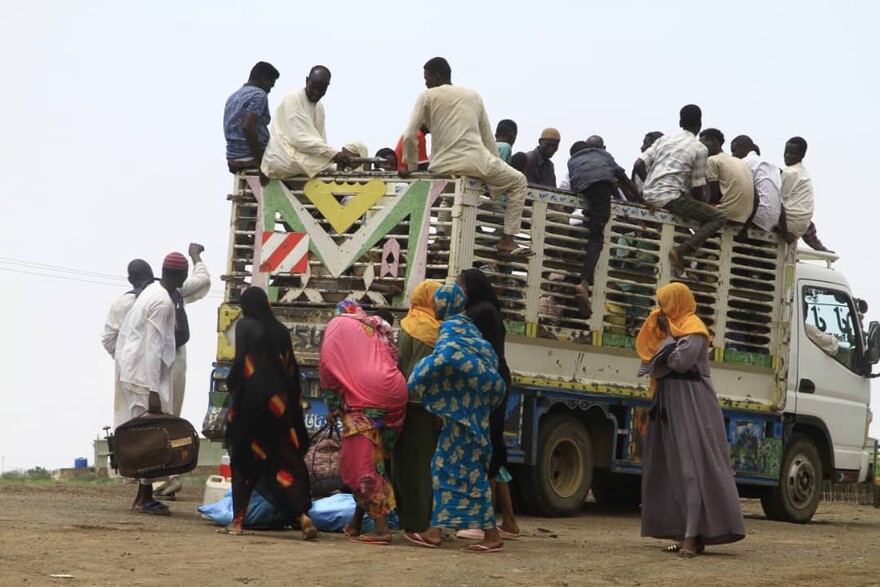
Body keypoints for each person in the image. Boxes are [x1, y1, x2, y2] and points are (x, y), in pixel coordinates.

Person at [636, 282, 746, 557]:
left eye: (664, 303)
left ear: (677, 302)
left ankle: (692, 536)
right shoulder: (672, 327)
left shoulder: (694, 328)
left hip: (692, 403)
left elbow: (679, 363)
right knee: (670, 467)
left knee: (691, 466)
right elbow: (650, 356)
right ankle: (683, 531)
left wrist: (664, 342)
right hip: (669, 401)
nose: (660, 309)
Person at [404, 283, 506, 553]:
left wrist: (416, 377)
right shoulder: (469, 328)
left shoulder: (450, 329)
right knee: (445, 468)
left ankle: (491, 535)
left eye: (438, 304)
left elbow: (448, 357)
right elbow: (488, 360)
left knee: (467, 473)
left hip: (463, 419)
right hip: (471, 414)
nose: (435, 309)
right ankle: (436, 531)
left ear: (445, 305)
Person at [401, 57, 532, 257]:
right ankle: (507, 239)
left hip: (442, 166)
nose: (426, 82)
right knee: (519, 182)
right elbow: (487, 135)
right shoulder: (473, 95)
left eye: (427, 78)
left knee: (448, 191)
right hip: (475, 162)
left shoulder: (427, 96)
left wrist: (410, 166)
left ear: (437, 75)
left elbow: (410, 134)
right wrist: (494, 168)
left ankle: (440, 238)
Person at [223, 286, 316, 538]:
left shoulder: (245, 326)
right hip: (280, 406)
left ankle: (238, 521)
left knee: (244, 461)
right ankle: (301, 515)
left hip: (251, 406)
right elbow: (291, 368)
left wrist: (231, 385)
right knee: (281, 460)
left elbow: (242, 362)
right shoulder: (281, 330)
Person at [319, 301, 408, 545]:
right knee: (374, 462)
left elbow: (328, 368)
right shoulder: (372, 327)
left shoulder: (337, 325)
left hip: (368, 400)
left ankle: (381, 530)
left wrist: (333, 405)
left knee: (362, 468)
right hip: (395, 395)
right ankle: (356, 523)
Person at [114, 252, 188, 515]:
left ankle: (143, 494)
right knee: (150, 436)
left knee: (146, 435)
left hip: (137, 370)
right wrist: (154, 391)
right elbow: (153, 346)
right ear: (182, 276)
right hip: (144, 375)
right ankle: (143, 498)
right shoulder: (163, 302)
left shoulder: (154, 292)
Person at [455, 268, 521, 541]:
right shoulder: (489, 310)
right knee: (495, 449)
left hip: (487, 382)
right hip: (496, 380)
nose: (458, 291)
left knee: (487, 449)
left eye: (460, 285)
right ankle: (508, 521)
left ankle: (485, 523)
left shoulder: (479, 313)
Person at [633, 105, 726, 277]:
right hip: (672, 198)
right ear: (699, 125)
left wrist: (649, 186)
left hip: (649, 197)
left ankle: (677, 267)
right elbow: (698, 188)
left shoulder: (664, 140)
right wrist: (700, 204)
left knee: (681, 219)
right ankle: (681, 251)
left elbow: (638, 165)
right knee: (718, 217)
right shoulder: (700, 149)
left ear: (680, 122)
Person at [154, 243, 211, 500]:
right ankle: (171, 476)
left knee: (154, 420)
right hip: (177, 361)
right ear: (180, 276)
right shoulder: (177, 293)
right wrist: (196, 257)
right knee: (172, 418)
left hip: (155, 365)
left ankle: (159, 480)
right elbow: (202, 281)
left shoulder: (152, 295)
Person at [568, 135, 641, 319]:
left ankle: (585, 283)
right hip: (601, 188)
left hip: (584, 189)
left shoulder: (572, 161)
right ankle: (583, 283)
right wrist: (642, 200)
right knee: (597, 239)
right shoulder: (603, 155)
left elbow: (577, 183)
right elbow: (623, 177)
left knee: (593, 219)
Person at [392, 280, 443, 536]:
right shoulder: (435, 331)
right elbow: (429, 376)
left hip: (400, 402)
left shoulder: (405, 325)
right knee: (422, 466)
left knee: (402, 463)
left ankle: (406, 518)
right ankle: (420, 522)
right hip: (423, 406)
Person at [261, 65, 350, 180]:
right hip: (283, 156)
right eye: (313, 87)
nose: (316, 93)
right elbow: (299, 139)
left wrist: (331, 155)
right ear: (307, 80)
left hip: (301, 156)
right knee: (335, 170)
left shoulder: (319, 107)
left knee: (339, 170)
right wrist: (333, 154)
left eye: (321, 89)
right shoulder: (293, 98)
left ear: (327, 87)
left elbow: (320, 139)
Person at [224, 62, 280, 174]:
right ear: (263, 79)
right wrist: (260, 164)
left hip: (233, 158)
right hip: (252, 158)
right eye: (270, 86)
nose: (269, 91)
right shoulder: (259, 95)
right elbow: (248, 127)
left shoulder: (233, 97)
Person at [780, 137, 833, 252]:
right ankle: (820, 248)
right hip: (802, 225)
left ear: (801, 155)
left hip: (788, 225)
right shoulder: (804, 173)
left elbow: (779, 200)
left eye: (792, 153)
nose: (787, 156)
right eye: (786, 152)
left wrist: (784, 231)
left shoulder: (789, 173)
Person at [698, 128, 755, 224]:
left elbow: (714, 197)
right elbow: (756, 199)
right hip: (744, 218)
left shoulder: (712, 160)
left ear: (714, 143)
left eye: (701, 145)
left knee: (685, 210)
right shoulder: (741, 162)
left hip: (726, 214)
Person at [729, 135, 782, 233]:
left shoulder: (744, 162)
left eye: (734, 151)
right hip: (773, 221)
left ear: (744, 148)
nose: (732, 155)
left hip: (756, 218)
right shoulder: (773, 167)